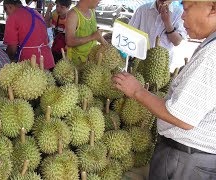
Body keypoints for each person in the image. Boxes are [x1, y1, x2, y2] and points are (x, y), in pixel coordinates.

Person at [112, 1, 216, 180]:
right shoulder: (210, 44)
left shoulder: (213, 53)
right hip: (189, 158)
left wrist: (137, 91)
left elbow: (182, 117)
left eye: (187, 8)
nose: (182, 15)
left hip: (186, 161)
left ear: (212, 8)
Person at [128, 0, 187, 69]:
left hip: (162, 64)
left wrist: (167, 21)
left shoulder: (178, 13)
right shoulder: (142, 10)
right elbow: (129, 33)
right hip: (139, 61)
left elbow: (177, 42)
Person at [3, 0, 55, 69]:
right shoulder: (35, 12)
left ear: (9, 6)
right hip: (48, 61)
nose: (7, 15)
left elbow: (12, 49)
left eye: (6, 12)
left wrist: (6, 61)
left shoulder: (13, 17)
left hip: (31, 65)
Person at [65, 0, 107, 66]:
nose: (100, 1)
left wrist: (102, 41)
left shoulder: (92, 11)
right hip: (76, 62)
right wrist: (93, 37)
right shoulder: (73, 14)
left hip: (90, 59)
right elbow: (69, 41)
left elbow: (95, 35)